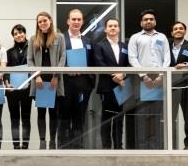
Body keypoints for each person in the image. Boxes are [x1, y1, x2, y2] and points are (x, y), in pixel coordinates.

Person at [128, 9, 171, 149]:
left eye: (151, 19)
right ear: (141, 23)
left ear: (155, 21)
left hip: (159, 79)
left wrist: (161, 76)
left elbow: (167, 57)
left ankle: (157, 146)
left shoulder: (162, 37)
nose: (148, 21)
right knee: (142, 114)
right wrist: (144, 75)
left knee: (157, 115)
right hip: (142, 80)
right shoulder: (135, 38)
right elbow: (132, 58)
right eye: (145, 19)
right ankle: (142, 146)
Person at [27, 11, 65, 149]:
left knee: (54, 113)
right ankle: (42, 141)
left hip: (55, 81)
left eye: (45, 20)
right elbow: (29, 60)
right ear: (37, 24)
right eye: (40, 21)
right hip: (40, 81)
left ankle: (53, 141)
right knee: (41, 112)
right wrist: (36, 76)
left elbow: (63, 57)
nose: (42, 23)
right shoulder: (33, 39)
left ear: (50, 21)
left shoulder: (59, 37)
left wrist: (56, 76)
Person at [60, 9, 95, 149]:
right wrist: (67, 68)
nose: (76, 22)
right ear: (68, 21)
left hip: (83, 84)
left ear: (82, 22)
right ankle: (63, 147)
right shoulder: (60, 39)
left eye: (79, 19)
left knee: (79, 117)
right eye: (73, 19)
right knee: (64, 116)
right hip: (65, 83)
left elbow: (92, 62)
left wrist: (90, 82)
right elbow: (55, 60)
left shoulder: (88, 41)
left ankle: (78, 146)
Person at [93, 18, 129, 149]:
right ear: (105, 29)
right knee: (107, 118)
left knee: (119, 118)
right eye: (110, 26)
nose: (113, 28)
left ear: (119, 28)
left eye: (115, 26)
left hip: (121, 86)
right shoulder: (99, 45)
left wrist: (122, 75)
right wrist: (115, 75)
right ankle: (106, 147)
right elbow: (99, 63)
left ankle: (119, 146)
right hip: (106, 86)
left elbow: (129, 64)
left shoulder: (125, 46)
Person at [170, 21, 188, 149]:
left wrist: (186, 65)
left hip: (187, 85)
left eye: (181, 28)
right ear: (172, 32)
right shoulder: (167, 46)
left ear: (185, 31)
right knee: (170, 117)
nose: (178, 30)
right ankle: (170, 144)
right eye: (175, 28)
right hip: (171, 86)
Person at [5, 24, 33, 149]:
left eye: (20, 32)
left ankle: (25, 145)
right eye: (15, 34)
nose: (18, 35)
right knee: (14, 119)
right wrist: (6, 83)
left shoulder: (32, 49)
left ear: (25, 33)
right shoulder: (9, 52)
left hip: (27, 88)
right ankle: (16, 145)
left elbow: (34, 66)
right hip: (13, 89)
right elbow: (5, 70)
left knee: (26, 118)